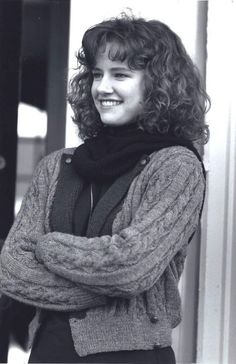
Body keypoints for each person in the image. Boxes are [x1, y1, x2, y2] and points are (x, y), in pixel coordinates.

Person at [0, 13, 209, 364]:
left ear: (159, 85)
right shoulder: (57, 166)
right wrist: (107, 287)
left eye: (120, 75)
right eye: (97, 74)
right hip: (49, 351)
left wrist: (48, 247)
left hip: (133, 356)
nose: (102, 87)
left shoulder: (176, 166)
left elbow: (130, 268)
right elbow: (11, 270)